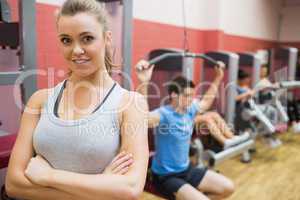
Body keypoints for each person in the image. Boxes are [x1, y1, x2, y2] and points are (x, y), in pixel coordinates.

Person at [5, 1, 148, 200]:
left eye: (87, 38)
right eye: (66, 40)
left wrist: (48, 176)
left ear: (107, 39)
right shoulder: (39, 100)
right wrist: (101, 189)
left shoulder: (130, 104)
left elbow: (130, 189)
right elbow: (13, 184)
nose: (76, 50)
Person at [135, 60, 234, 200]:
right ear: (174, 95)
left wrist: (218, 77)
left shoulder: (190, 109)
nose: (191, 99)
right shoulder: (163, 115)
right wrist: (143, 82)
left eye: (192, 96)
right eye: (187, 96)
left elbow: (205, 102)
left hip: (187, 169)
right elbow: (143, 118)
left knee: (228, 188)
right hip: (166, 176)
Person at [235, 69, 281, 148]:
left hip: (253, 106)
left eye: (248, 78)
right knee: (259, 118)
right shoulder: (236, 88)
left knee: (271, 110)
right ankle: (268, 134)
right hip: (244, 109)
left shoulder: (246, 87)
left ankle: (270, 133)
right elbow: (235, 99)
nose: (248, 80)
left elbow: (252, 96)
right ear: (240, 79)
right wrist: (247, 94)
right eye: (246, 79)